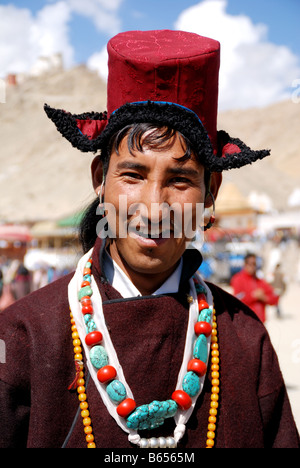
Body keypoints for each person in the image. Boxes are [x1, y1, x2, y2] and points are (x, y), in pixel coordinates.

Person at [0, 30, 299, 449]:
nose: (155, 209)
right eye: (133, 175)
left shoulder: (246, 342)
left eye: (179, 180)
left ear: (211, 190)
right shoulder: (23, 336)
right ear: (99, 179)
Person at [231, 253, 279, 323]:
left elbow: (275, 298)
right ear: (245, 264)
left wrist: (264, 297)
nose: (253, 267)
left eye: (255, 264)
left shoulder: (259, 281)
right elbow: (236, 300)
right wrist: (253, 296)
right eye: (251, 264)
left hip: (260, 323)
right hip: (245, 323)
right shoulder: (237, 279)